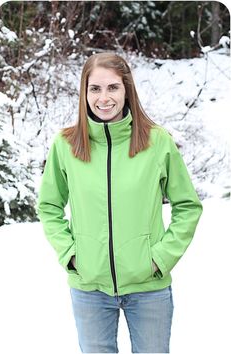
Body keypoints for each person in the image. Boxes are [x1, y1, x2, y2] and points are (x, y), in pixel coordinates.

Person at [37, 52, 203, 353]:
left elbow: (187, 206)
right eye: (95, 88)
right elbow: (49, 206)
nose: (104, 98)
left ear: (127, 90)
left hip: (148, 288)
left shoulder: (156, 142)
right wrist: (72, 255)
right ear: (84, 92)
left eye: (113, 87)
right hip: (90, 289)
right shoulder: (66, 145)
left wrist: (159, 259)